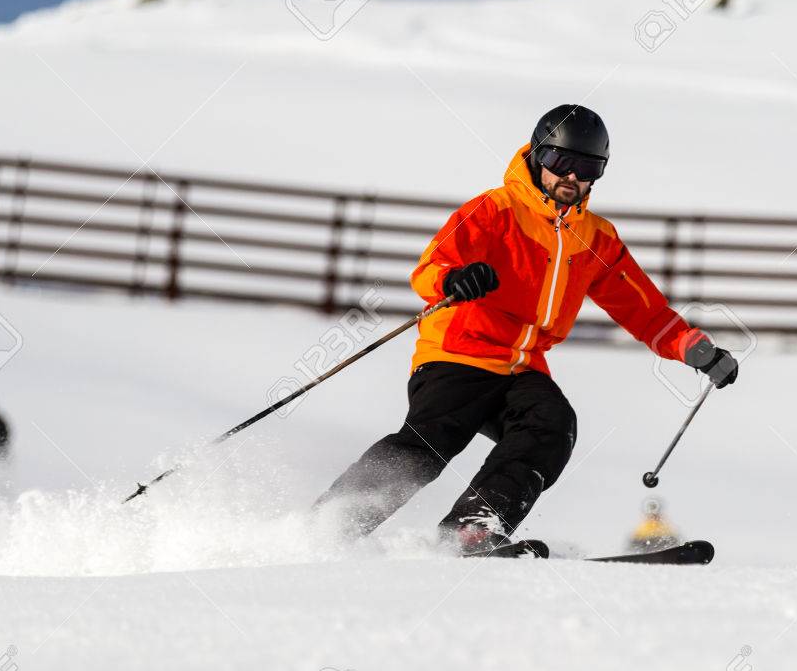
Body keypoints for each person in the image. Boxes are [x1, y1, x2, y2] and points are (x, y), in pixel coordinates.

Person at [315, 105, 739, 553]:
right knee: (433, 439)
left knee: (551, 426)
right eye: (561, 161)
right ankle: (333, 522)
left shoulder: (596, 238)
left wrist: (693, 348)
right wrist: (455, 279)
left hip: (522, 366)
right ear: (538, 157)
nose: (572, 176)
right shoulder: (495, 209)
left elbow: (644, 310)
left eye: (588, 168)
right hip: (459, 351)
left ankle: (473, 529)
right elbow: (430, 266)